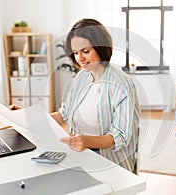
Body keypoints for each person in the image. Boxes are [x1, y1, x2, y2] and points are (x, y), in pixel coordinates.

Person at [10, 18, 140, 173]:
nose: (80, 59)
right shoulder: (81, 78)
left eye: (85, 51)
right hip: (82, 156)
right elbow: (64, 114)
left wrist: (86, 141)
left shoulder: (122, 84)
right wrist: (28, 116)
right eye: (76, 53)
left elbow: (120, 137)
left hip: (112, 162)